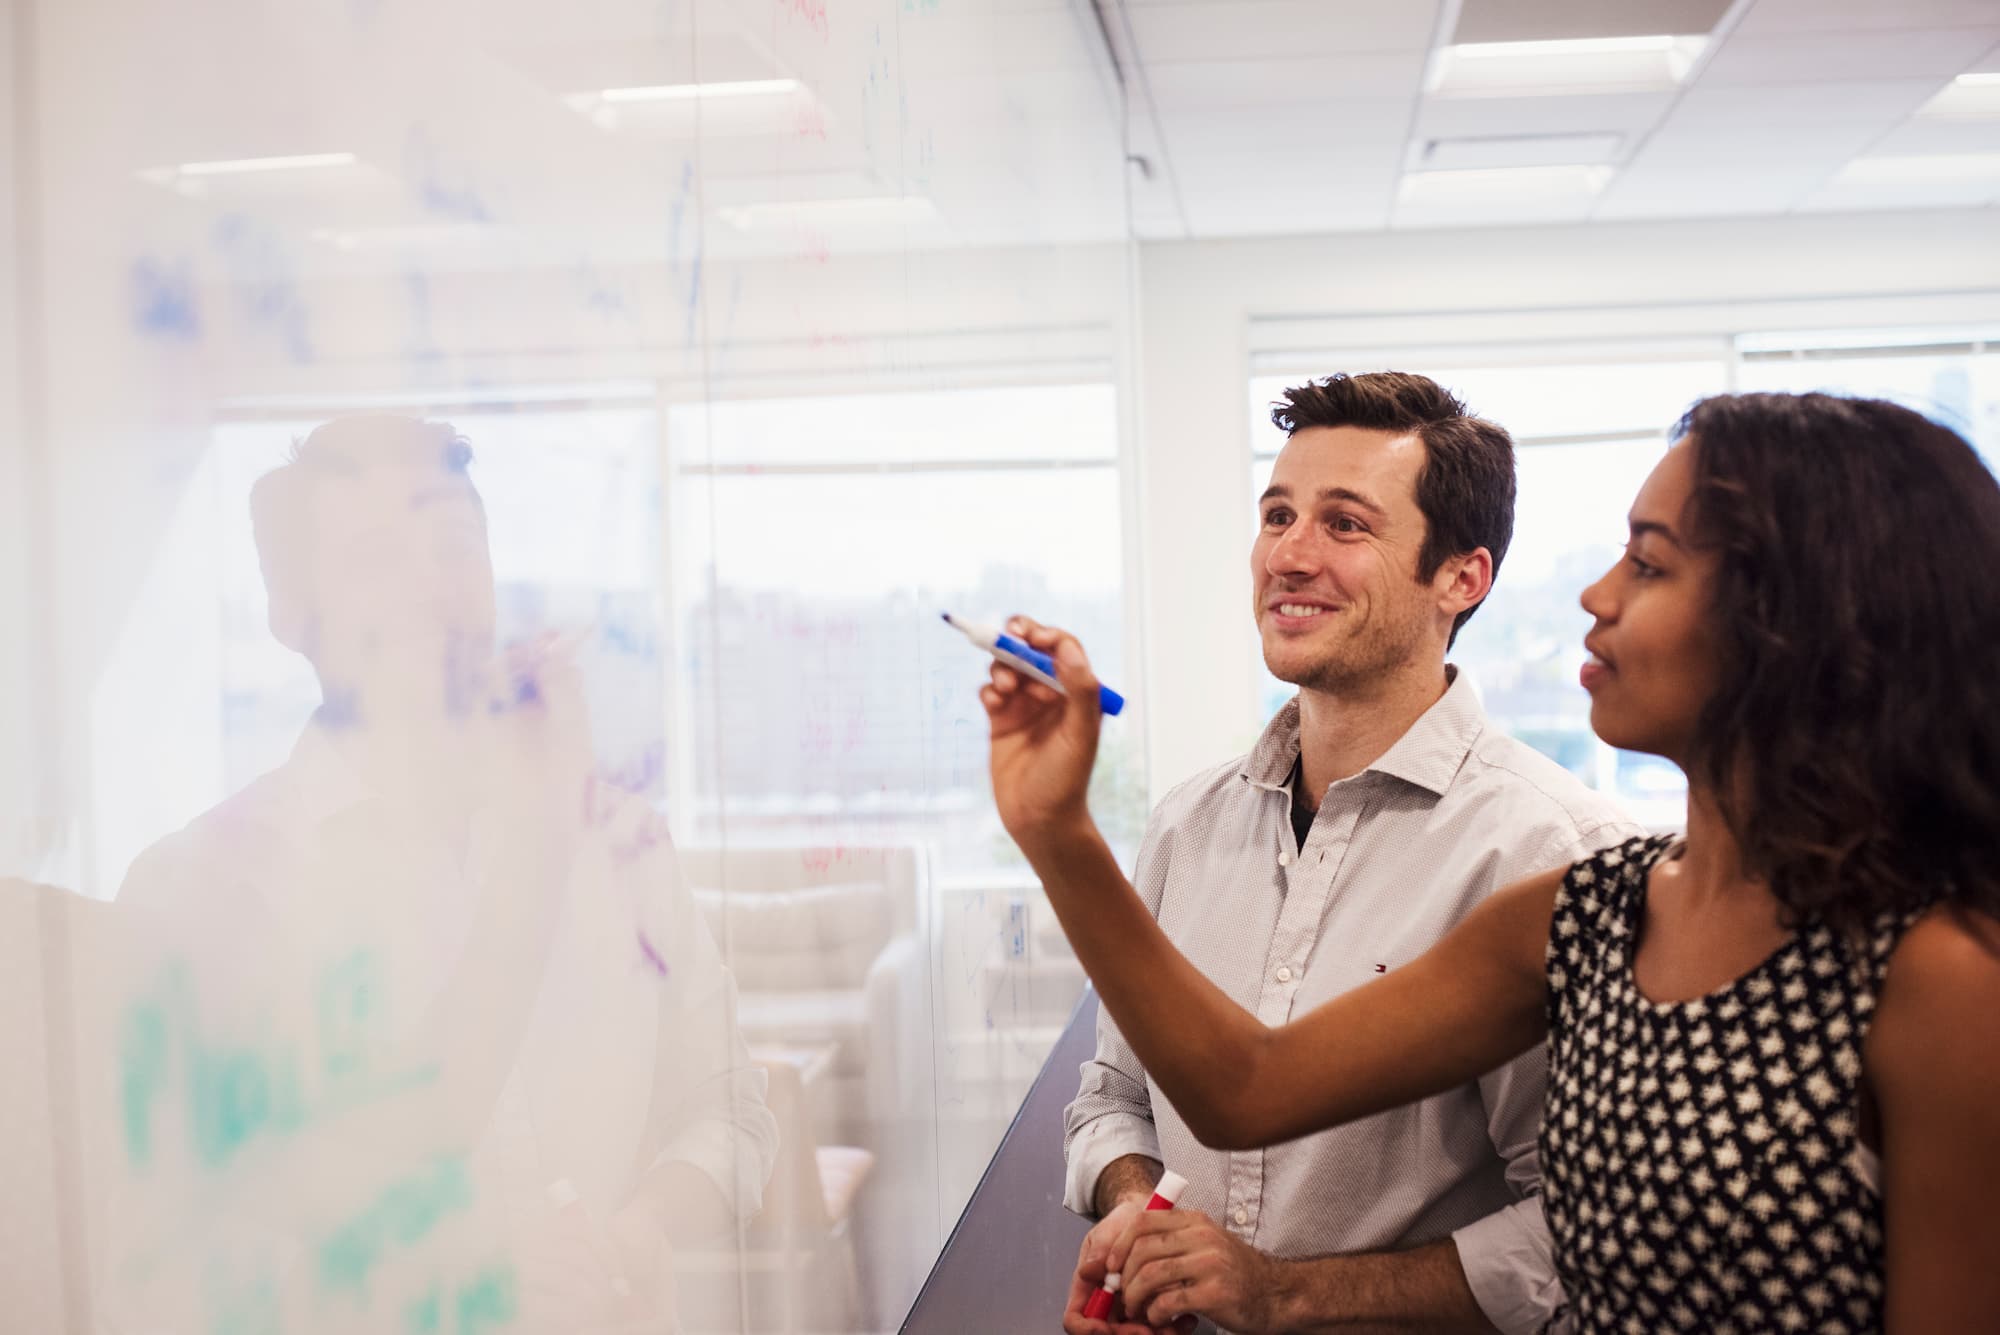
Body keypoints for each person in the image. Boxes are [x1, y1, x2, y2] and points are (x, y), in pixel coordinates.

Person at [986, 392, 2000, 1333]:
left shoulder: (1935, 973)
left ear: (1801, 625)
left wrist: (1286, 1293)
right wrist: (1055, 829)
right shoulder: (1589, 911)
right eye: (1278, 516)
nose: (1594, 595)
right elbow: (1242, 1087)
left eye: (1646, 565)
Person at [101, 416, 777, 1334]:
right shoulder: (199, 889)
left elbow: (733, 1105)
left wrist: (638, 1233)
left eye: (454, 548)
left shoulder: (619, 841)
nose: (430, 589)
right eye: (375, 557)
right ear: (289, 613)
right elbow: (221, 1247)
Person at [1060, 372, 1640, 1335]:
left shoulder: (1554, 854)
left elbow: (1580, 1232)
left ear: (1463, 576)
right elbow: (1113, 1097)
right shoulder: (1186, 826)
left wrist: (1287, 1295)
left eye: (1345, 524)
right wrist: (1136, 1220)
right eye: (1278, 514)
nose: (1289, 554)